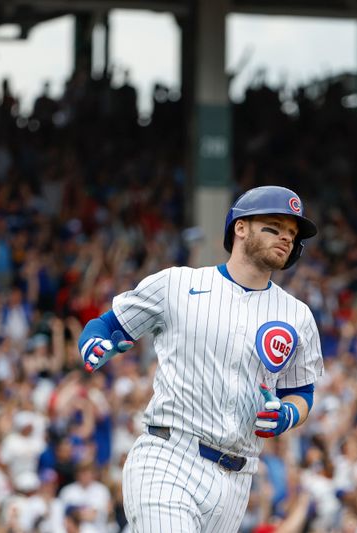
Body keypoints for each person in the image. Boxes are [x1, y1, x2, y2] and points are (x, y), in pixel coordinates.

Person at [78, 186, 324, 532]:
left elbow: (302, 393)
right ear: (241, 227)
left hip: (238, 478)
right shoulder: (178, 284)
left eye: (292, 234)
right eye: (273, 226)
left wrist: (287, 414)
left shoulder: (297, 316)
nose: (285, 238)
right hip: (170, 455)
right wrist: (94, 341)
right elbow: (107, 324)